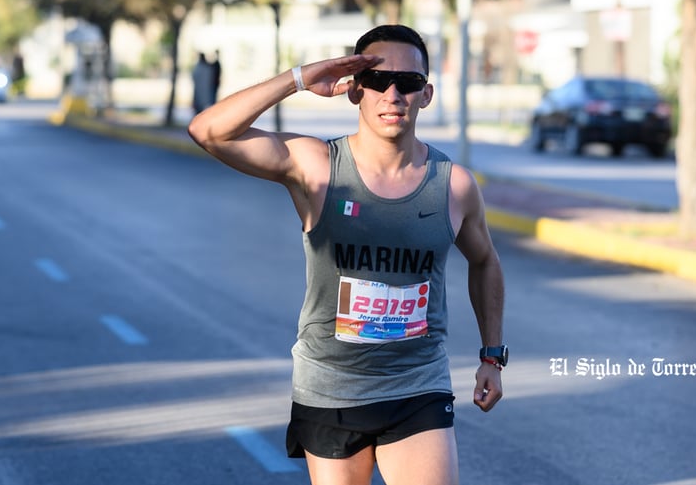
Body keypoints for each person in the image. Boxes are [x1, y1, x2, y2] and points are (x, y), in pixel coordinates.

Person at [188, 24, 506, 485]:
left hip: (417, 384)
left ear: (426, 94)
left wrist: (491, 357)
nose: (392, 94)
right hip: (331, 386)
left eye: (409, 83)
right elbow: (208, 130)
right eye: (377, 80)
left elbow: (485, 261)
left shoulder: (454, 186)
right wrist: (299, 78)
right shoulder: (317, 166)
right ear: (356, 91)